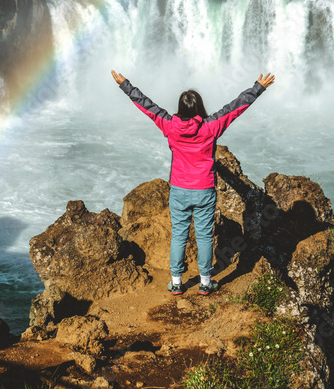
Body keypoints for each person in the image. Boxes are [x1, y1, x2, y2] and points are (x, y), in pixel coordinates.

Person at [111, 70, 275, 296]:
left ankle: (177, 282)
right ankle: (205, 283)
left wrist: (125, 85)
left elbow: (148, 106)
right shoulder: (211, 126)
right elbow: (236, 107)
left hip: (179, 189)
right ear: (199, 108)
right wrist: (258, 87)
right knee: (205, 236)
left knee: (179, 234)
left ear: (181, 108)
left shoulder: (170, 125)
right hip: (204, 190)